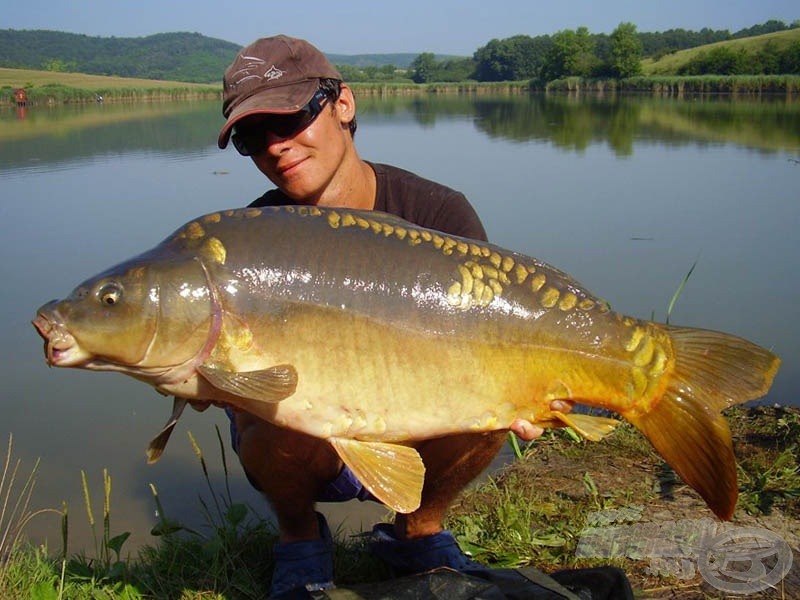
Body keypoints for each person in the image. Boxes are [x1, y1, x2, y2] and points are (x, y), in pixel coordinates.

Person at [217, 35, 586, 598]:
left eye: (290, 119)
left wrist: (535, 386)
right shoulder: (254, 240)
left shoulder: (438, 213)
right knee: (262, 410)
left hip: (418, 430)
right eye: (251, 136)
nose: (276, 146)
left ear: (343, 104)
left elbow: (494, 335)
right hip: (309, 439)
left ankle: (417, 530)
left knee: (494, 399)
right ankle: (299, 539)